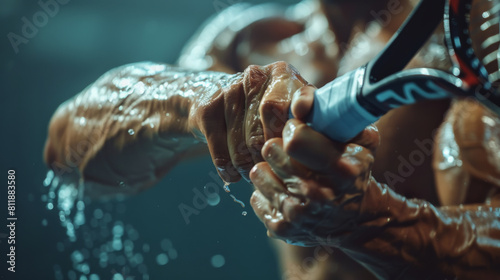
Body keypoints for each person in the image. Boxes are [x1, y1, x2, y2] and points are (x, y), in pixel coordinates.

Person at [43, 0, 500, 279]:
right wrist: (203, 99)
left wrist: (368, 223)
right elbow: (66, 154)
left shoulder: (474, 35)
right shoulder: (253, 41)